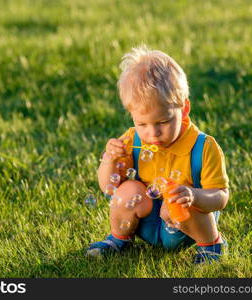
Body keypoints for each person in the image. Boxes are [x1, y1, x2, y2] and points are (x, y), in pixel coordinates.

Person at [86, 45, 230, 264]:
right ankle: (119, 239)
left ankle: (211, 245)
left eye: (163, 122)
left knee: (178, 199)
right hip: (149, 222)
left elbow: (220, 197)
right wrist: (109, 160)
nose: (152, 133)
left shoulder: (203, 147)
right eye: (141, 123)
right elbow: (108, 186)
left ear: (184, 109)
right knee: (128, 190)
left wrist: (193, 195)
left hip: (189, 226)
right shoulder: (132, 141)